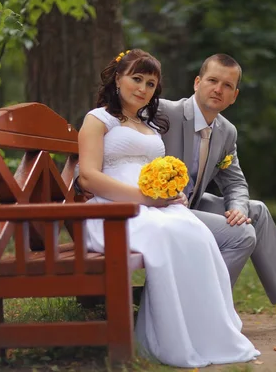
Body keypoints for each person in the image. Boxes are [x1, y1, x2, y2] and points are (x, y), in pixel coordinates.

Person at [78, 53, 276, 330]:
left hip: (185, 203)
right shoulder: (161, 111)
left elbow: (235, 182)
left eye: (227, 86)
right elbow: (114, 132)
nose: (218, 89)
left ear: (234, 96)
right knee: (239, 234)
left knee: (256, 212)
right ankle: (200, 308)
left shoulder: (227, 131)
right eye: (212, 80)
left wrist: (238, 208)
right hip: (155, 205)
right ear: (197, 82)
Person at [78, 49, 260, 368]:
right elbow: (89, 177)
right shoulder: (98, 120)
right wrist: (144, 198)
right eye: (136, 79)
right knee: (166, 233)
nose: (143, 89)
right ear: (117, 79)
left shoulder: (148, 123)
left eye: (150, 83)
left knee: (197, 234)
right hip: (112, 211)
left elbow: (156, 171)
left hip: (153, 206)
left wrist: (170, 193)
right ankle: (167, 335)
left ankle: (199, 328)